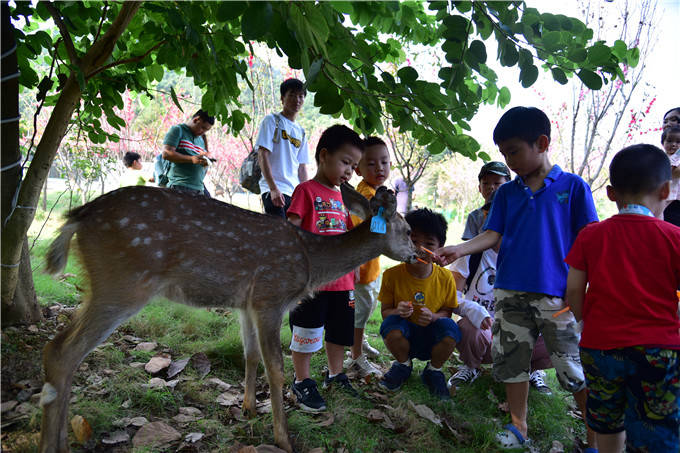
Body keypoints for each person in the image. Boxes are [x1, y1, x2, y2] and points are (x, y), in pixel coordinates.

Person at [436, 106, 598, 451]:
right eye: (504, 153)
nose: (509, 162)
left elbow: (589, 240)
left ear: (541, 143)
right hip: (509, 294)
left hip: (558, 297)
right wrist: (459, 250)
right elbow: (492, 233)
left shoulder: (573, 187)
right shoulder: (507, 193)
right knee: (512, 364)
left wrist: (583, 287)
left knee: (571, 367)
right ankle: (518, 425)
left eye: (514, 151)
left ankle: (595, 437)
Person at [565, 144, 680, 453]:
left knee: (607, 420)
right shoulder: (674, 237)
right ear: (667, 189)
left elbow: (574, 289)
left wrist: (583, 320)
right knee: (657, 425)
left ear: (611, 193)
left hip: (600, 346)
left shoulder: (591, 235)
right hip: (660, 348)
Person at [286, 124, 364, 412]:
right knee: (307, 330)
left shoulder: (345, 198)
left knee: (339, 332)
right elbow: (291, 231)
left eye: (354, 166)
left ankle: (335, 373)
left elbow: (345, 234)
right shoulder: (306, 191)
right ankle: (302, 379)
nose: (349, 171)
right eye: (345, 162)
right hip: (313, 282)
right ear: (324, 155)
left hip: (343, 282)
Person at [449, 192, 553, 394]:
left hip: (519, 331)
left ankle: (532, 369)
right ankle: (471, 366)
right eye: (493, 216)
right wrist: (471, 309)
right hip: (484, 329)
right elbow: (451, 295)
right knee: (470, 329)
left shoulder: (531, 256)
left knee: (559, 329)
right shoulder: (471, 254)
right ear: (485, 216)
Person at [378, 208, 460, 400]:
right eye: (413, 241)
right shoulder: (391, 275)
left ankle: (433, 371)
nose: (419, 249)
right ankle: (403, 365)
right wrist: (397, 311)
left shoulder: (446, 277)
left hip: (432, 334)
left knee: (451, 330)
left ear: (440, 247)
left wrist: (433, 317)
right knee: (390, 326)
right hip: (404, 332)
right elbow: (384, 313)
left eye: (429, 243)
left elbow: (448, 312)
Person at [343, 136, 390, 378]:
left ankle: (359, 344)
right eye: (371, 163)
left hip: (373, 265)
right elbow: (359, 233)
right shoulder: (364, 196)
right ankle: (356, 356)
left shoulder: (377, 194)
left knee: (368, 306)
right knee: (360, 313)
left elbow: (379, 231)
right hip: (363, 267)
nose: (379, 168)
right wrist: (357, 263)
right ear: (358, 169)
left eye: (384, 162)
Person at [257, 78, 309, 217]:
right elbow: (262, 155)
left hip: (294, 193)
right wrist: (273, 188)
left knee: (294, 234)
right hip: (273, 189)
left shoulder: (301, 132)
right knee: (279, 233)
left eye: (300, 96)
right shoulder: (271, 121)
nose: (297, 100)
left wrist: (306, 196)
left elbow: (302, 168)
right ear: (282, 98)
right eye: (291, 95)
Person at [161, 109, 214, 195]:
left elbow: (198, 160)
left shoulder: (201, 139)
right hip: (179, 186)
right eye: (203, 128)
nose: (203, 132)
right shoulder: (178, 130)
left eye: (206, 130)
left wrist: (204, 162)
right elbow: (166, 153)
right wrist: (191, 159)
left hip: (199, 188)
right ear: (196, 120)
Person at [461, 161, 511, 240]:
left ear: (509, 187)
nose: (491, 187)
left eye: (497, 183)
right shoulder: (474, 216)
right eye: (486, 183)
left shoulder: (515, 213)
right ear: (479, 188)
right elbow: (469, 247)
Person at [661, 125, 680, 226]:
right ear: (663, 143)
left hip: (676, 195)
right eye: (669, 141)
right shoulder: (663, 158)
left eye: (678, 142)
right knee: (661, 215)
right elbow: (670, 170)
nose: (673, 145)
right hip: (667, 194)